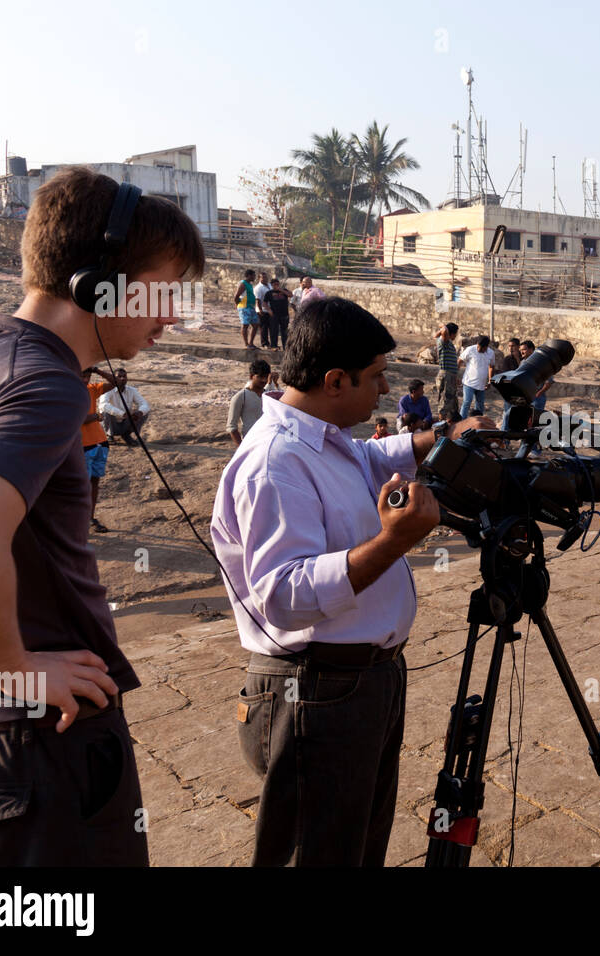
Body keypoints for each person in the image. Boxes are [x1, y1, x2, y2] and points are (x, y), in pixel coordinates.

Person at [0, 166, 204, 865]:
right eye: (165, 288)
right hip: (37, 751)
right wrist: (18, 667)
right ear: (98, 282)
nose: (173, 315)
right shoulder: (46, 383)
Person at [210, 296, 493, 866]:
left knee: (358, 846)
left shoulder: (324, 434)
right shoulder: (275, 463)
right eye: (376, 377)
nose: (386, 391)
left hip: (363, 683)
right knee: (318, 852)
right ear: (335, 380)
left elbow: (368, 457)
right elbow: (283, 596)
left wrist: (445, 437)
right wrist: (395, 540)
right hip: (314, 690)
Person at [81, 367, 115, 530]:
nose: (86, 380)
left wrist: (97, 370)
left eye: (88, 376)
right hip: (82, 445)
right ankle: (78, 521)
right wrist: (94, 417)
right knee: (82, 484)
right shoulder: (66, 392)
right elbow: (74, 418)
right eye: (82, 376)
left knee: (94, 482)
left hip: (99, 442)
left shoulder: (91, 390)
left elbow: (115, 382)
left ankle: (90, 518)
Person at [98, 365, 151, 446]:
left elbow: (144, 404)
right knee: (106, 411)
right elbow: (103, 405)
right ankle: (109, 435)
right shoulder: (106, 389)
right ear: (113, 378)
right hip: (110, 423)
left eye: (124, 376)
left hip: (125, 423)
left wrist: (139, 413)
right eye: (119, 376)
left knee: (144, 412)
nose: (122, 378)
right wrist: (122, 414)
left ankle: (126, 435)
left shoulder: (132, 390)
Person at [227, 359, 272, 446]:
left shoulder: (269, 395)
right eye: (260, 377)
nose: (264, 380)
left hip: (267, 441)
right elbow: (231, 427)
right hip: (250, 442)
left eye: (266, 377)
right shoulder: (240, 397)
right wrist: (241, 448)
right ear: (251, 376)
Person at [458, 334, 495, 419]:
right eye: (478, 346)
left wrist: (490, 381)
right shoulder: (470, 349)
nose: (478, 349)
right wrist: (456, 375)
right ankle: (461, 422)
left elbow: (491, 367)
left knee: (480, 406)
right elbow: (460, 360)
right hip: (469, 383)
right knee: (467, 402)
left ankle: (478, 423)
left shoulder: (491, 353)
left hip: (481, 385)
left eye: (481, 348)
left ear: (486, 347)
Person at [519, 340, 552, 422]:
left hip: (537, 398)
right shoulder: (522, 363)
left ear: (531, 350)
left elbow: (549, 382)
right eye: (520, 350)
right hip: (525, 398)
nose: (521, 352)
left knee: (535, 421)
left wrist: (538, 394)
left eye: (524, 349)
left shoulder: (541, 362)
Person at [434, 322, 460, 420]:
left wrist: (455, 377)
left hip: (451, 376)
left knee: (451, 403)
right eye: (455, 334)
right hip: (446, 375)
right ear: (451, 333)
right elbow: (443, 330)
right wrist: (443, 325)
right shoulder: (444, 342)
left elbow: (436, 335)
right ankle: (441, 425)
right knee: (444, 404)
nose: (456, 336)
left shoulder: (448, 343)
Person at [262, 277, 291, 351]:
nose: (276, 285)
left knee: (284, 331)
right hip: (274, 315)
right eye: (275, 284)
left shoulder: (284, 290)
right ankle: (274, 346)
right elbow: (264, 303)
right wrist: (269, 310)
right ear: (272, 285)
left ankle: (286, 346)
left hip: (284, 314)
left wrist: (281, 290)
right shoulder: (269, 293)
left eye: (278, 284)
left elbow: (290, 295)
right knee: (274, 331)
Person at [234, 268, 259, 349]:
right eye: (253, 275)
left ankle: (251, 343)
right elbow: (236, 296)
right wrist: (237, 305)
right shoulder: (243, 283)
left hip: (251, 307)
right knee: (245, 325)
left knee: (255, 325)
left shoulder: (250, 284)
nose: (254, 277)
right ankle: (246, 344)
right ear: (249, 275)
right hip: (244, 307)